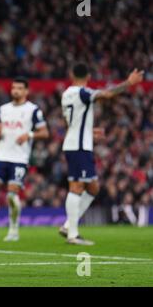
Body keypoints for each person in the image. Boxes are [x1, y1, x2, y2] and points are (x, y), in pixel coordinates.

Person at [60, 63, 144, 245]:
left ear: (71, 73)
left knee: (93, 188)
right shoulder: (82, 92)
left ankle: (68, 225)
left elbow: (70, 125)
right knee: (76, 187)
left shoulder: (66, 94)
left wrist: (90, 132)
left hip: (78, 144)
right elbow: (107, 94)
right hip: (78, 147)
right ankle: (72, 234)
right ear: (88, 75)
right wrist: (128, 82)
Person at [0, 77, 49, 241]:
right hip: (1, 155)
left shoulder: (33, 110)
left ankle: (13, 230)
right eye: (13, 88)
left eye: (19, 88)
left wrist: (29, 134)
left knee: (11, 195)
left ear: (26, 91)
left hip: (19, 158)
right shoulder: (4, 109)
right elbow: (0, 131)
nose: (15, 91)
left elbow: (45, 132)